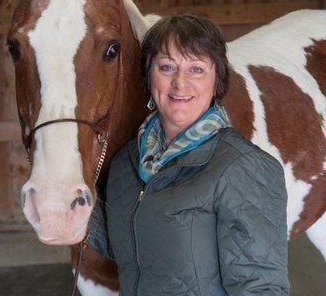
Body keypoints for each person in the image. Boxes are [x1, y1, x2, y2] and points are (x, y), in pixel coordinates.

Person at [88, 15, 289, 296]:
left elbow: (260, 287)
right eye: (167, 67)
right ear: (148, 75)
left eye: (196, 69)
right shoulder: (126, 162)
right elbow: (128, 244)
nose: (180, 83)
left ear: (216, 79)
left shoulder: (242, 167)